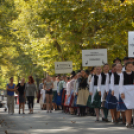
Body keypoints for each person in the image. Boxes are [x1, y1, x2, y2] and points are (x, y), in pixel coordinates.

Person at [119, 62, 134, 128]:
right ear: (126, 66)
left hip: (133, 91)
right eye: (129, 66)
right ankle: (128, 122)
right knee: (128, 107)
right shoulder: (123, 74)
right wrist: (122, 93)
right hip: (126, 91)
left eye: (131, 66)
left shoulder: (133, 73)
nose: (130, 67)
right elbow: (120, 84)